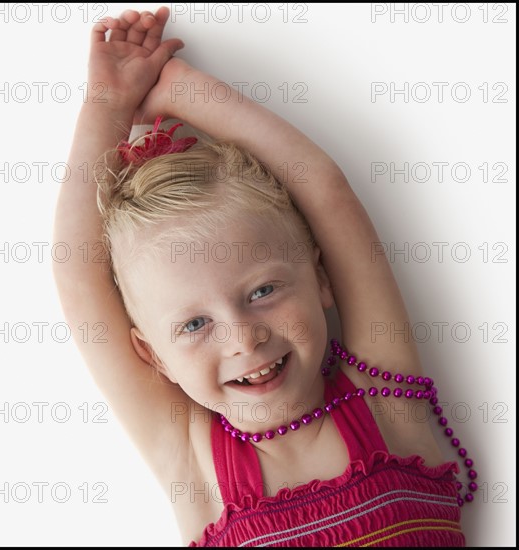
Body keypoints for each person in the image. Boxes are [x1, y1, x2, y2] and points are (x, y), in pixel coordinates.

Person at [53, 7, 477, 546]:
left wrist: (182, 91)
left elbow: (324, 189)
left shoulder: (386, 395)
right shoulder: (191, 457)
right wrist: (108, 105)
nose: (243, 336)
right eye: (193, 325)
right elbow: (77, 271)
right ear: (153, 356)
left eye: (262, 291)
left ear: (321, 281)